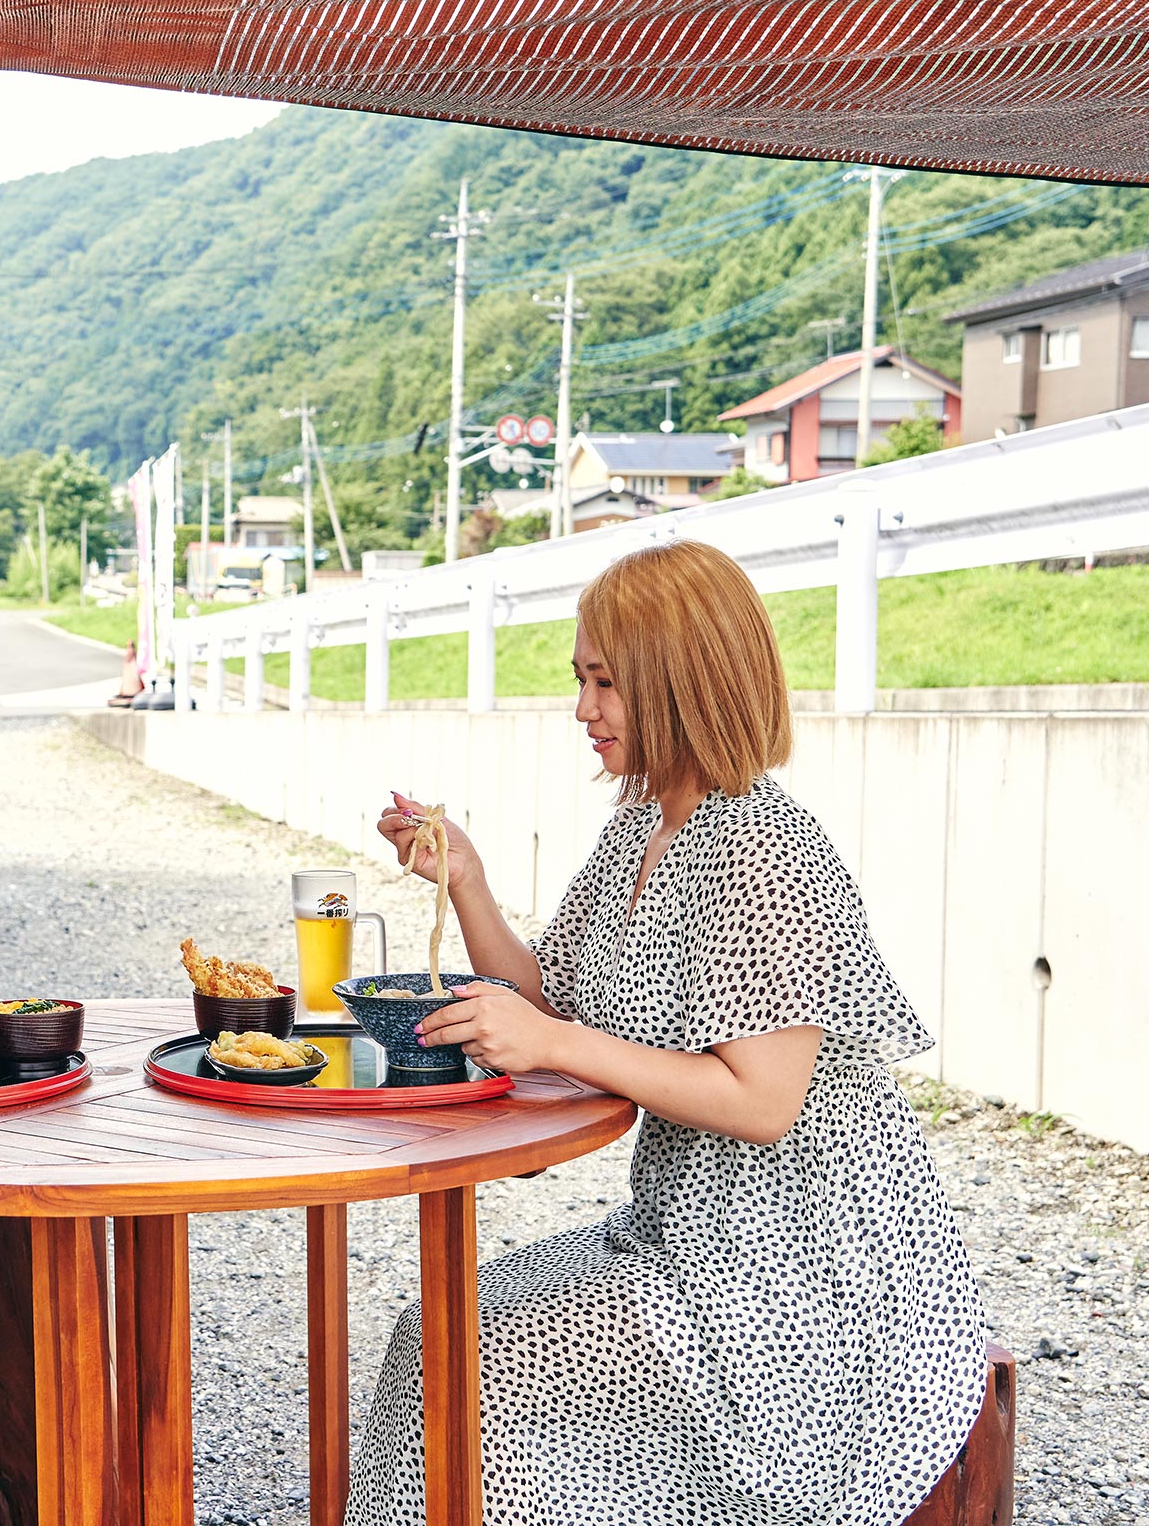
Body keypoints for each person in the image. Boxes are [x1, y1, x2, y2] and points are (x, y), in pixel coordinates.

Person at [348, 540, 986, 1526]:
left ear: (682, 683)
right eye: (580, 679)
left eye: (605, 683)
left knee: (475, 1363)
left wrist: (554, 1046)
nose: (582, 709)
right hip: (681, 1235)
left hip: (799, 1283)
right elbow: (550, 998)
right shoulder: (644, 823)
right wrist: (465, 880)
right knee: (427, 1333)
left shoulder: (766, 852)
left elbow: (761, 1101)